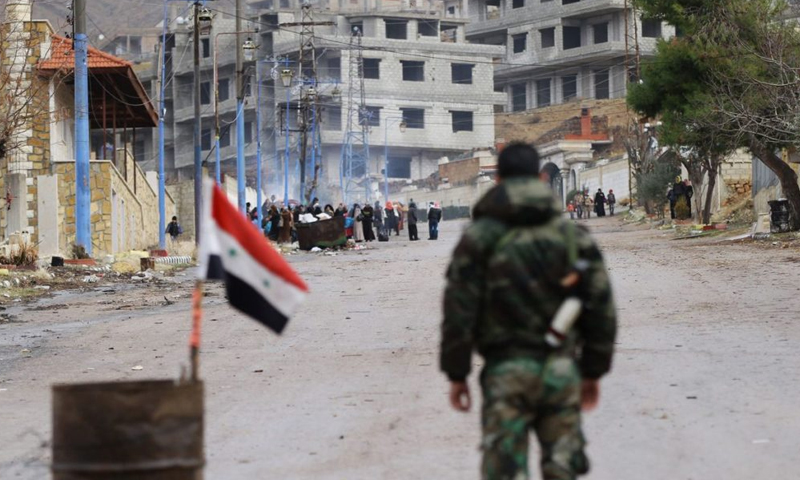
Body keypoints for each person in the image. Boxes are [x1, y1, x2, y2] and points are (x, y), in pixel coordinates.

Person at [440, 142, 617, 480]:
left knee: (504, 471)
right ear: (539, 178)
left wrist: (457, 373)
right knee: (562, 467)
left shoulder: (478, 239)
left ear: (498, 180)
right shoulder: (572, 237)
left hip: (505, 374)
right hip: (561, 372)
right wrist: (593, 371)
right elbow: (600, 308)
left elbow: (458, 311)